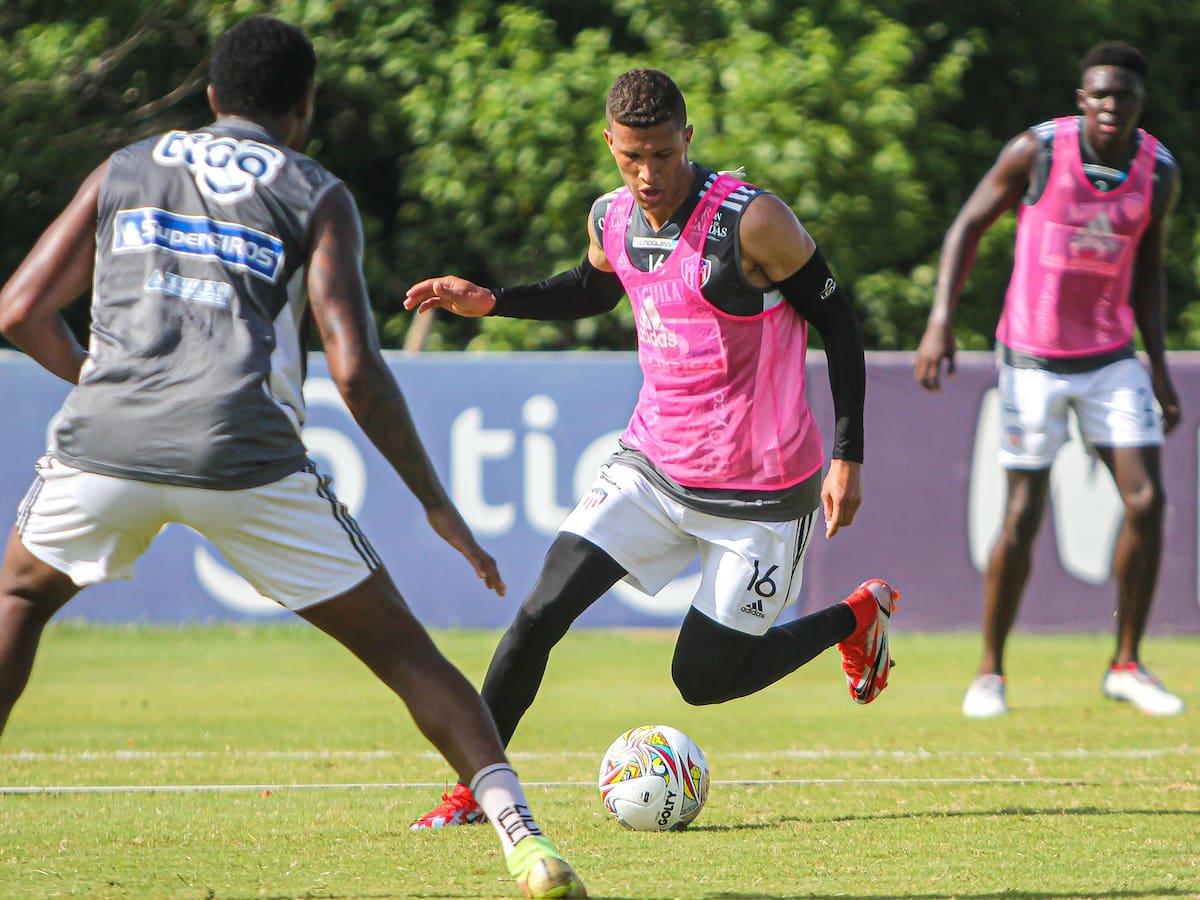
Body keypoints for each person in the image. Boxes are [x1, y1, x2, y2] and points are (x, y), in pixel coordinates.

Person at [0, 16, 585, 899]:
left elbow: (17, 310)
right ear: (304, 108)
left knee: (18, 599)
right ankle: (524, 843)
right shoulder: (315, 191)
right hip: (244, 453)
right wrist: (434, 503)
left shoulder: (130, 165)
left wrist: (104, 383)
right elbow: (352, 365)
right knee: (409, 658)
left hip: (107, 441)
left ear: (210, 100)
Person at [404, 68, 899, 830]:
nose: (648, 174)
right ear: (610, 144)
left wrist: (848, 453)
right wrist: (495, 302)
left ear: (688, 141)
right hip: (654, 470)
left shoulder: (753, 221)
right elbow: (593, 287)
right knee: (541, 611)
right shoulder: (612, 216)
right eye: (632, 157)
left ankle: (855, 618)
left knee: (703, 682)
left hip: (764, 495)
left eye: (663, 155)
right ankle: (475, 789)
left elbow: (839, 324)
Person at [914, 41, 1184, 718]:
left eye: (1124, 96)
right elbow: (968, 225)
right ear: (1081, 101)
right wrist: (941, 319)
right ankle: (989, 673)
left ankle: (1125, 663)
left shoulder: (1157, 173)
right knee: (1023, 512)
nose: (1111, 107)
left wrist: (1159, 364)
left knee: (1147, 502)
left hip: (1112, 356)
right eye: (1099, 95)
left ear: (1138, 104)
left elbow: (1149, 272)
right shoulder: (1037, 152)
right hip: (1031, 357)